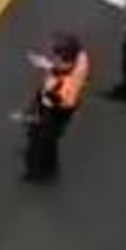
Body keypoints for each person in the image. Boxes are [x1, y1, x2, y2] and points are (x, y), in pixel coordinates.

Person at [20, 33, 90, 182]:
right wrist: (46, 65)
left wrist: (33, 110)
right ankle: (50, 165)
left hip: (55, 110)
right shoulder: (80, 60)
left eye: (55, 55)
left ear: (64, 59)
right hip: (62, 109)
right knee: (50, 139)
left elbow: (49, 100)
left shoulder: (62, 88)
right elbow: (63, 71)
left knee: (39, 139)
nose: (52, 57)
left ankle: (35, 172)